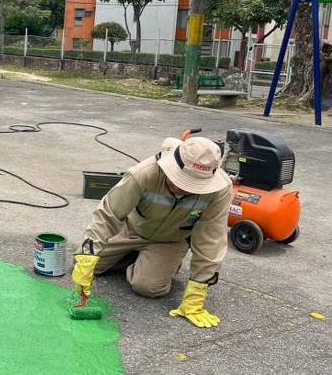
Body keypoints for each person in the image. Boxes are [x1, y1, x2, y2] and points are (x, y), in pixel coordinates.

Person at [72, 136, 233, 328]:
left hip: (171, 240)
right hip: (131, 229)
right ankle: (134, 257)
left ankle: (150, 262)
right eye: (182, 181)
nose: (184, 189)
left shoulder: (220, 189)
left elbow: (211, 239)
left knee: (149, 287)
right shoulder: (143, 174)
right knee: (87, 266)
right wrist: (87, 256)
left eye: (193, 185)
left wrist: (198, 290)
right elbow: (108, 214)